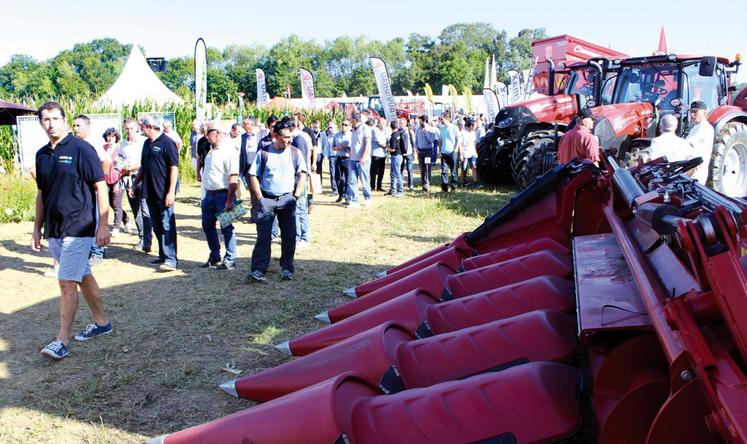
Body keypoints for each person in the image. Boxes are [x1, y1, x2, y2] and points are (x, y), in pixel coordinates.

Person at [33, 101, 112, 360]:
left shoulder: (81, 149)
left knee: (67, 282)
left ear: (64, 119)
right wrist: (37, 228)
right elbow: (42, 193)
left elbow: (101, 187)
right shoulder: (42, 155)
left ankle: (62, 340)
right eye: (46, 119)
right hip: (54, 229)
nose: (51, 124)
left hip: (80, 226)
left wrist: (103, 224)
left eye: (56, 118)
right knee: (83, 275)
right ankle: (102, 323)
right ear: (41, 123)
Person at [248, 118, 307, 282]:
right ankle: (259, 270)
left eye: (291, 137)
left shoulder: (295, 152)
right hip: (267, 200)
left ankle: (287, 268)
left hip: (287, 200)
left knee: (289, 236)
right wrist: (259, 197)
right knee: (263, 237)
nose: (290, 140)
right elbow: (253, 175)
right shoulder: (264, 153)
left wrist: (296, 195)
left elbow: (302, 173)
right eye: (286, 137)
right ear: (276, 136)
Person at [131, 115, 179, 271]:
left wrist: (171, 192)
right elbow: (143, 167)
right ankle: (163, 255)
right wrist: (134, 183)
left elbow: (174, 168)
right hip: (149, 192)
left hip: (164, 193)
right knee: (157, 226)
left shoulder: (168, 143)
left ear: (149, 127)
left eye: (141, 126)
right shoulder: (146, 144)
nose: (140, 129)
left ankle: (171, 259)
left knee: (167, 225)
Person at [200, 122, 240, 270]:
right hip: (209, 195)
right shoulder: (210, 150)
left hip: (224, 195)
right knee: (207, 225)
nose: (206, 135)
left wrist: (230, 200)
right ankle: (215, 254)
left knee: (227, 227)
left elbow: (233, 177)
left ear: (217, 133)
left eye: (208, 132)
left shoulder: (229, 151)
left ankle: (230, 258)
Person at [73, 114, 107, 265]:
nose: (75, 129)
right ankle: (87, 251)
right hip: (81, 192)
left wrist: (99, 180)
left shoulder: (93, 144)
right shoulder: (75, 144)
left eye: (78, 125)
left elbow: (106, 161)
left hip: (93, 190)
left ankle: (97, 252)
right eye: (74, 125)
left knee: (96, 220)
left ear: (87, 126)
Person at [119, 117, 152, 253]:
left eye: (132, 128)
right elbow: (119, 161)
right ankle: (142, 237)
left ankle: (147, 239)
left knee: (145, 209)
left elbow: (146, 161)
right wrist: (123, 167)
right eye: (127, 128)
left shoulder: (144, 142)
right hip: (129, 179)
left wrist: (131, 167)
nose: (129, 131)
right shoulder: (122, 144)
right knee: (136, 210)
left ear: (137, 128)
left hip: (142, 177)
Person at [101, 127, 129, 235]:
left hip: (117, 179)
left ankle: (116, 227)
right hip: (105, 180)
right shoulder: (102, 148)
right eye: (108, 136)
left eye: (112, 136)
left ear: (116, 137)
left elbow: (124, 166)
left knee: (116, 203)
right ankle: (126, 219)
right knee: (109, 203)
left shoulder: (120, 148)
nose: (110, 138)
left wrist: (119, 182)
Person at [346, 111, 373, 208]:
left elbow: (368, 144)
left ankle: (368, 198)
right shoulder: (353, 129)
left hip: (363, 160)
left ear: (354, 120)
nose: (349, 120)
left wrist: (364, 157)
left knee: (364, 180)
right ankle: (355, 201)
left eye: (350, 119)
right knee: (352, 180)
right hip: (353, 159)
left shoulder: (365, 128)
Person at [685, 100, 715, 184]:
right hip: (692, 170)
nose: (692, 115)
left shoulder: (703, 127)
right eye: (691, 112)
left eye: (695, 112)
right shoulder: (697, 127)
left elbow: (686, 145)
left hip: (695, 172)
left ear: (705, 113)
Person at [239, 116, 261, 221]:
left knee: (261, 190)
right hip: (247, 168)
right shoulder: (243, 137)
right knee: (252, 192)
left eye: (245, 123)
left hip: (259, 168)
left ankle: (262, 212)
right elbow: (242, 154)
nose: (243, 125)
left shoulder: (261, 135)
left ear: (251, 125)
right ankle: (254, 215)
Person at [439, 112, 460, 192]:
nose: (441, 120)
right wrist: (440, 150)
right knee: (444, 171)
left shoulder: (454, 128)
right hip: (444, 153)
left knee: (453, 171)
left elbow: (458, 139)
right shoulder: (442, 128)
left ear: (447, 119)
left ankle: (454, 186)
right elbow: (440, 140)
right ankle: (444, 188)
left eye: (442, 119)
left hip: (452, 153)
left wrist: (455, 150)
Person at [333, 119, 352, 203]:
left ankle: (347, 197)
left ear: (349, 126)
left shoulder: (351, 135)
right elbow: (333, 146)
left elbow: (353, 148)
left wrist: (344, 148)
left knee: (348, 179)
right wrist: (336, 148)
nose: (343, 126)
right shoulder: (337, 135)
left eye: (346, 125)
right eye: (342, 124)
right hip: (339, 158)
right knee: (338, 178)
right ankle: (341, 195)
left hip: (348, 159)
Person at [415, 115, 436, 192]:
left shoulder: (431, 129)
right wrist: (416, 148)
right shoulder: (418, 129)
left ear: (425, 121)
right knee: (422, 168)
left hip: (428, 151)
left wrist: (426, 132)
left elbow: (431, 141)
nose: (419, 122)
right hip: (420, 152)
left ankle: (427, 184)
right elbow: (416, 139)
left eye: (420, 121)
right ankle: (423, 183)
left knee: (427, 168)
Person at [387, 120, 406, 197]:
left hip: (395, 156)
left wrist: (386, 148)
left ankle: (400, 190)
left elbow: (393, 149)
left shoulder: (393, 136)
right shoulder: (398, 134)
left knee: (397, 173)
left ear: (390, 127)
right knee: (393, 173)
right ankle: (392, 190)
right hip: (399, 156)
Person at [370, 117, 390, 191]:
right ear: (379, 123)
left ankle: (379, 186)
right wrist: (387, 147)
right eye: (383, 123)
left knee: (381, 171)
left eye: (385, 123)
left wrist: (387, 145)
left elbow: (388, 140)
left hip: (383, 154)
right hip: (376, 154)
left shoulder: (386, 131)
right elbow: (379, 142)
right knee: (374, 171)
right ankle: (372, 186)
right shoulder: (375, 130)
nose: (384, 125)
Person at [460, 119, 480, 188]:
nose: (475, 127)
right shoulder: (462, 132)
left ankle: (475, 183)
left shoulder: (473, 133)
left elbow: (473, 143)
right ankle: (463, 183)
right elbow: (460, 144)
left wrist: (475, 152)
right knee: (464, 169)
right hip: (465, 153)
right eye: (474, 126)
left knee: (474, 167)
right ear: (471, 126)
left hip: (472, 153)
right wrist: (461, 155)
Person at [320, 120, 337, 196]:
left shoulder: (339, 135)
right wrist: (326, 158)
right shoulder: (328, 137)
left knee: (341, 175)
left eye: (331, 127)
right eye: (328, 128)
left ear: (336, 127)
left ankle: (342, 190)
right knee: (333, 174)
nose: (329, 129)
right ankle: (335, 190)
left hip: (340, 157)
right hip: (332, 157)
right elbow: (326, 148)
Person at [401, 118, 416, 191]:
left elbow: (413, 143)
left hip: (409, 153)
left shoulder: (410, 131)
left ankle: (411, 185)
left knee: (409, 169)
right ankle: (400, 184)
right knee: (401, 170)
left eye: (401, 123)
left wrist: (414, 152)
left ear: (405, 123)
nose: (400, 124)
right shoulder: (399, 131)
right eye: (400, 123)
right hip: (401, 153)